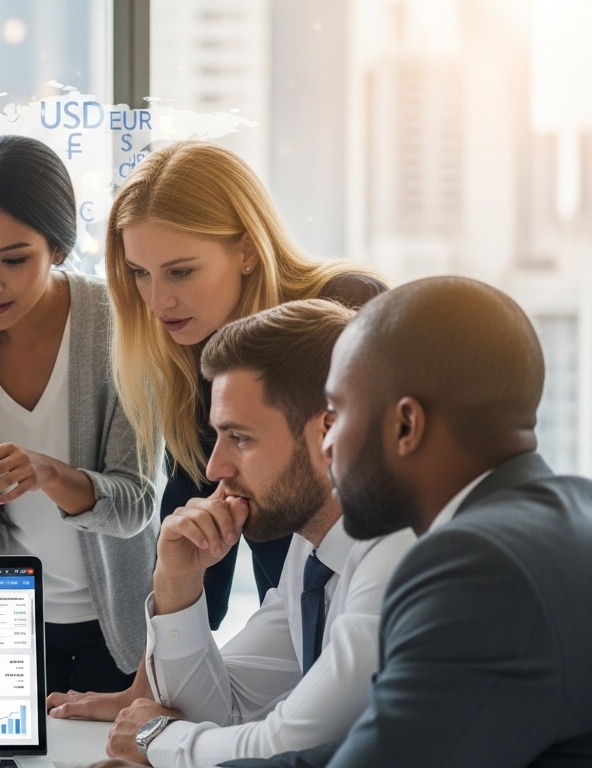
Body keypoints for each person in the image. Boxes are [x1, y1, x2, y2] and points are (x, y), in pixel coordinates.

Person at [50, 141, 387, 717]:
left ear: (249, 252)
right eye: (139, 274)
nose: (158, 299)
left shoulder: (344, 313)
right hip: (291, 622)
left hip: (372, 623)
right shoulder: (193, 362)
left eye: (180, 271)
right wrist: (145, 688)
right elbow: (197, 536)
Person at [222, 277, 592, 767]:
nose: (326, 446)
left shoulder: (477, 566)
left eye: (337, 412)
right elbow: (396, 740)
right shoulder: (568, 510)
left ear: (406, 425)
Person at [81, 300, 415, 768]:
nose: (215, 468)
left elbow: (284, 747)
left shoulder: (397, 562)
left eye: (239, 438)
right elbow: (223, 713)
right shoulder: (313, 551)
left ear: (329, 433)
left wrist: (155, 737)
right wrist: (177, 582)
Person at [0, 135, 158, 694]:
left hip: (121, 634)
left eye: (15, 259)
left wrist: (47, 474)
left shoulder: (122, 324)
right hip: (1, 634)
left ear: (60, 248)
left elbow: (136, 506)